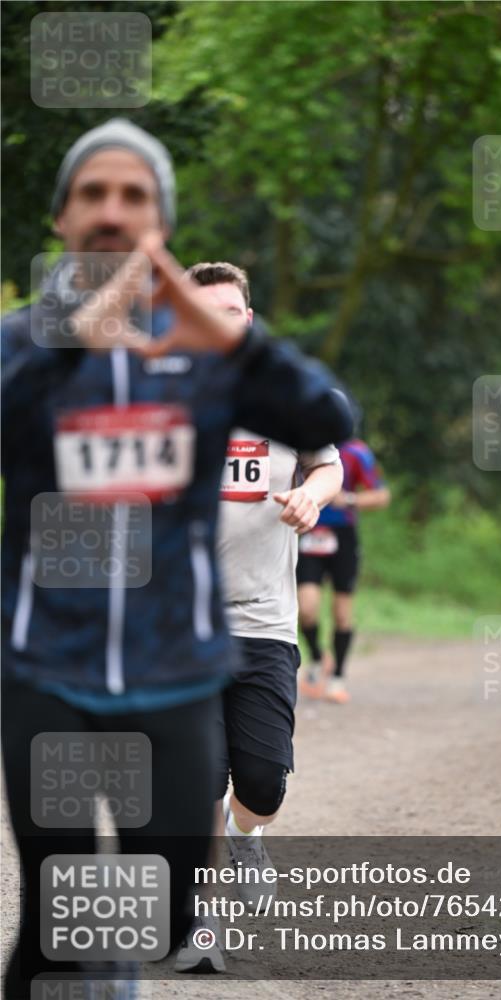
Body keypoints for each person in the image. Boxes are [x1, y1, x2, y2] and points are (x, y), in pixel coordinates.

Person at [1, 119, 352, 999]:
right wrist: (69, 330)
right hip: (46, 665)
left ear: (160, 219)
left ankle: (125, 952)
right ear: (62, 219)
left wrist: (219, 329)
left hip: (178, 668)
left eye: (136, 196)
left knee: (168, 899)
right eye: (94, 193)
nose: (113, 211)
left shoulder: (204, 359)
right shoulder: (21, 343)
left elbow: (323, 422)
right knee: (56, 916)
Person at [174, 261, 343, 973]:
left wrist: (313, 493)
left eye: (233, 311)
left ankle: (250, 835)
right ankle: (198, 931)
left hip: (266, 624)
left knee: (262, 782)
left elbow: (329, 463)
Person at [297, 438, 390, 703]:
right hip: (310, 533)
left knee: (341, 612)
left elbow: (381, 495)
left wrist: (348, 499)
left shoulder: (357, 453)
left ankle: (337, 677)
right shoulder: (300, 441)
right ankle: (317, 657)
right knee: (307, 607)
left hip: (344, 538)